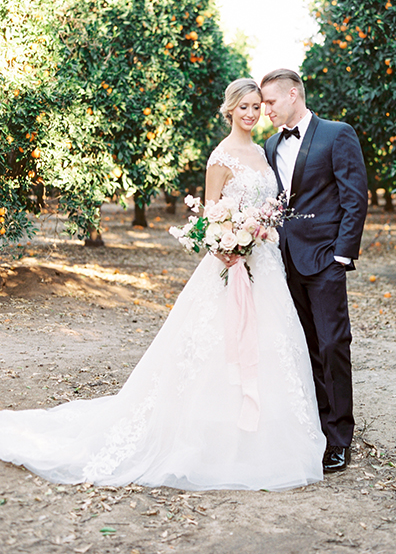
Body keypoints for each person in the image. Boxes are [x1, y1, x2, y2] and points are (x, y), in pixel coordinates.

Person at [0, 78, 326, 491]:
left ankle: (270, 435)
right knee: (216, 347)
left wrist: (256, 236)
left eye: (257, 106)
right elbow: (211, 217)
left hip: (266, 264)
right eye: (243, 106)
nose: (251, 113)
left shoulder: (264, 153)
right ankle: (212, 435)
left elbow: (268, 208)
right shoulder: (221, 157)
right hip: (230, 265)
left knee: (272, 343)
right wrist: (227, 246)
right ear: (229, 110)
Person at [261, 69, 368, 473]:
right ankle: (319, 429)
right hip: (284, 261)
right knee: (306, 350)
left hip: (325, 259)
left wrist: (342, 255)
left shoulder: (337, 134)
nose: (266, 109)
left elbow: (355, 197)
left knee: (333, 345)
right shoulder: (270, 145)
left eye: (271, 101)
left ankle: (340, 438)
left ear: (294, 94)